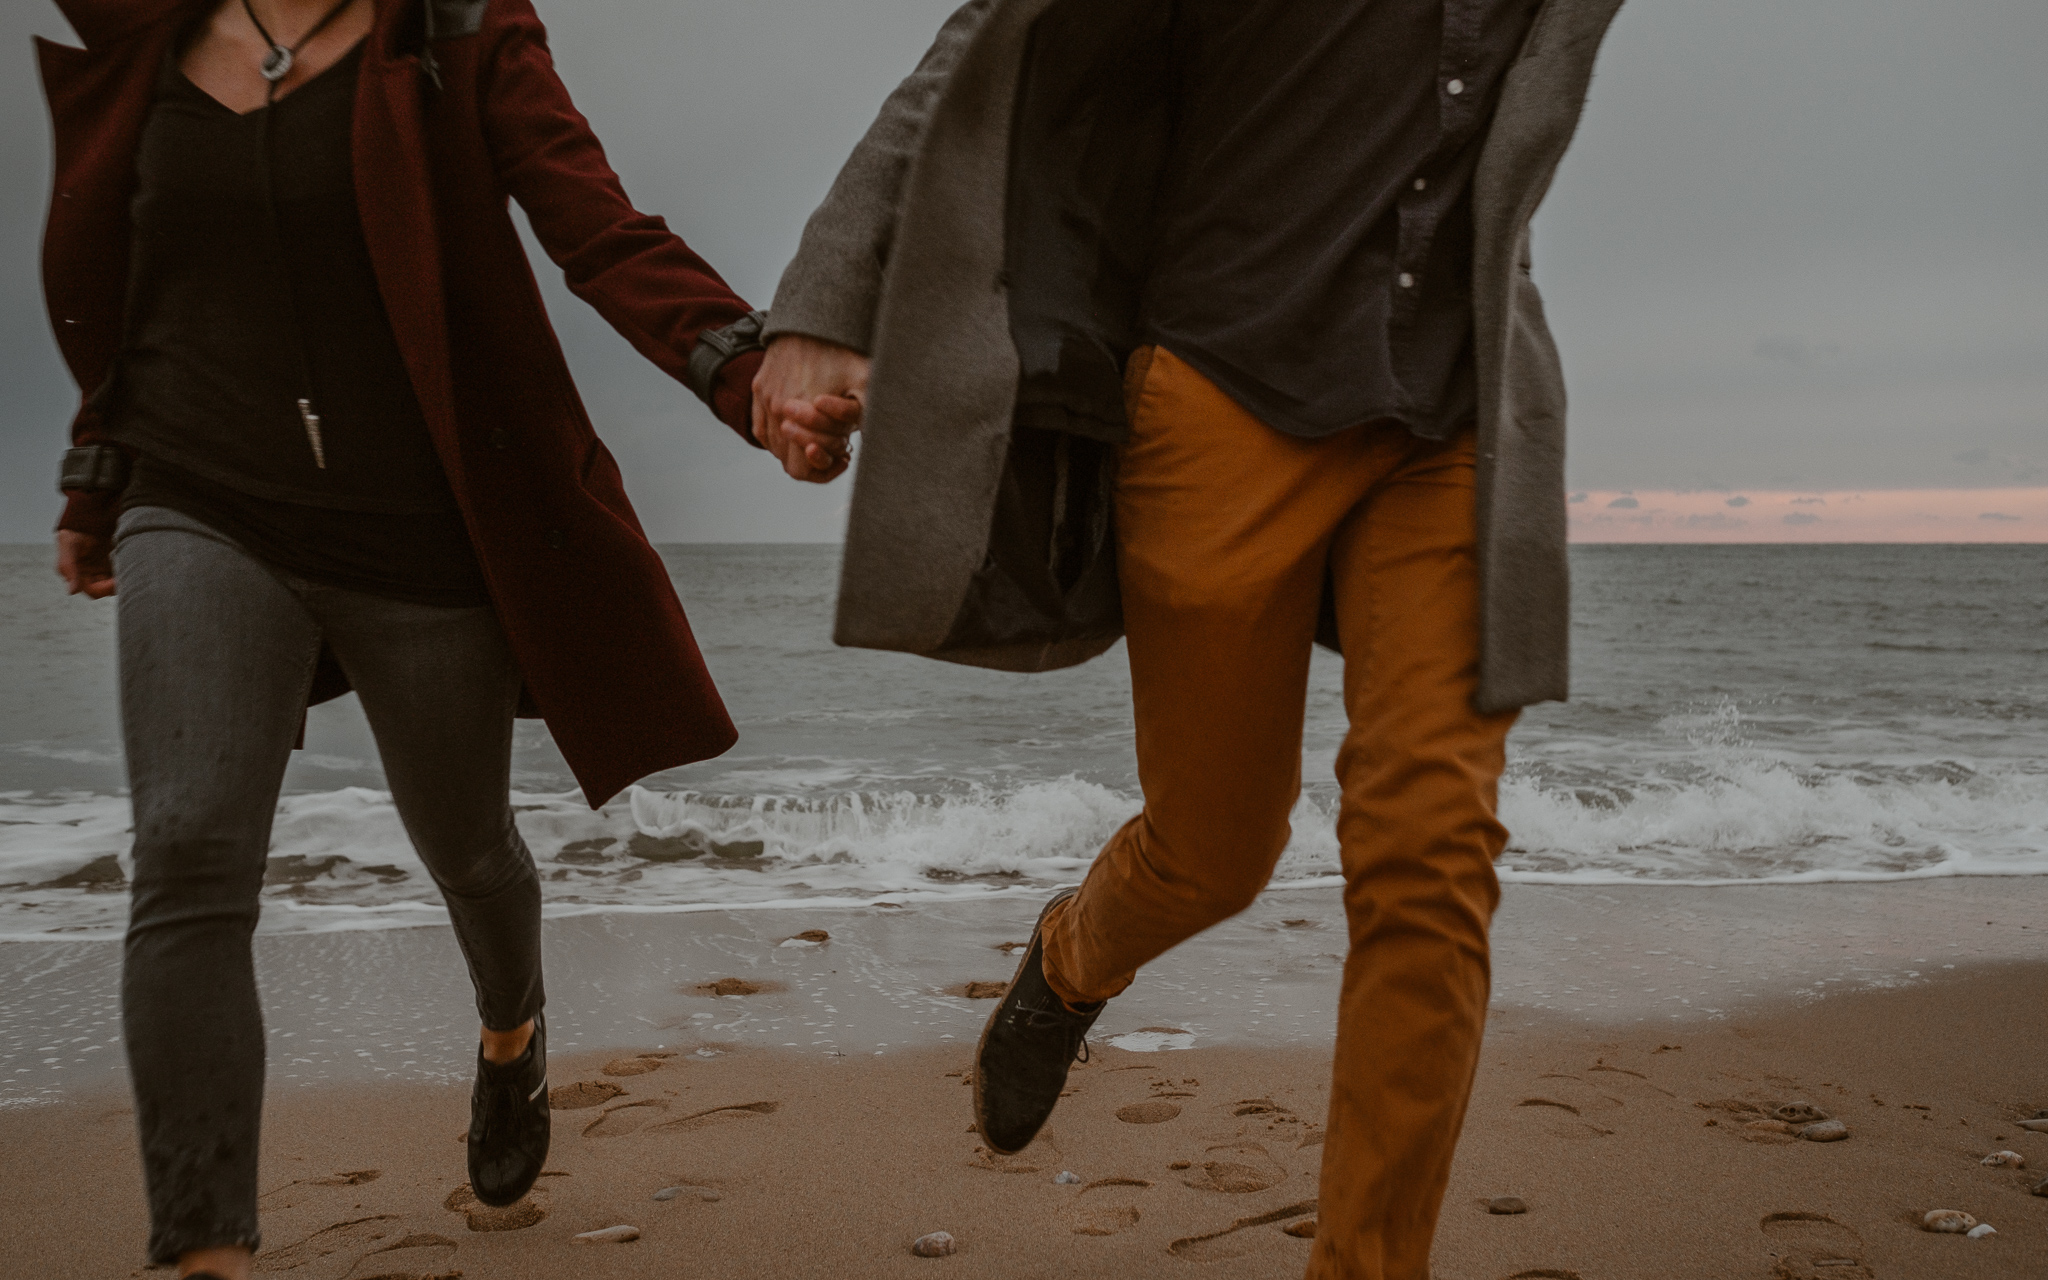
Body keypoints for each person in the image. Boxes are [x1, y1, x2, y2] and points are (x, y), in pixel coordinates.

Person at [750, 1, 1623, 1275]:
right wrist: (826, 295)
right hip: (1222, 386)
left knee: (1431, 851)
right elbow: (990, 47)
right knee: (1215, 851)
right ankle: (1070, 954)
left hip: (1456, 413)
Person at [37, 0, 854, 1275]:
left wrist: (741, 371)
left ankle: (510, 1025)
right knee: (189, 847)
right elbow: (133, 278)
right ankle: (204, 1247)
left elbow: (596, 224)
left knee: (468, 847)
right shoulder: (150, 33)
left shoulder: (458, 27)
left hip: (418, 526)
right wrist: (98, 477)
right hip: (198, 496)